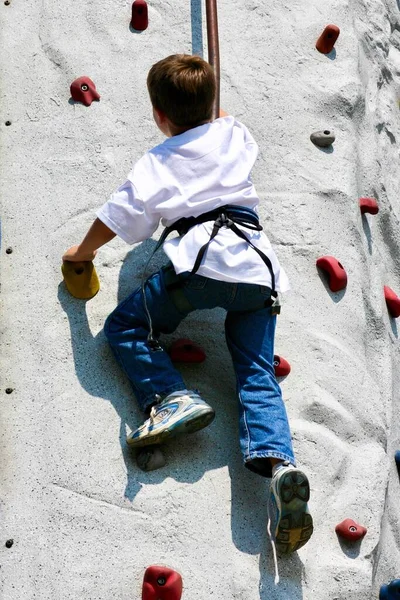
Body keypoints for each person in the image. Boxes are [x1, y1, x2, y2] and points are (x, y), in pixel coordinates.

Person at [62, 54, 313, 562]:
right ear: (211, 104)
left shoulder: (157, 162)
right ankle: (280, 465)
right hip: (257, 277)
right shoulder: (234, 134)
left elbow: (120, 214)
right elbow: (226, 125)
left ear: (158, 114)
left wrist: (80, 252)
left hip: (201, 270)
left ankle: (171, 396)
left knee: (127, 326)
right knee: (256, 373)